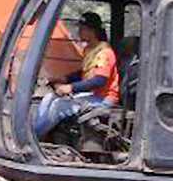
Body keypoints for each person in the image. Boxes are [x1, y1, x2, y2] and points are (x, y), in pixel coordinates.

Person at [34, 11, 120, 139]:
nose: (79, 32)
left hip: (102, 99)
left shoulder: (104, 52)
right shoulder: (89, 49)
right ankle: (36, 131)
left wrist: (71, 87)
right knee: (49, 97)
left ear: (92, 31)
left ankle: (34, 139)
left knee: (59, 105)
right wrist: (65, 79)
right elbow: (85, 73)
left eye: (82, 29)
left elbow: (99, 80)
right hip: (91, 95)